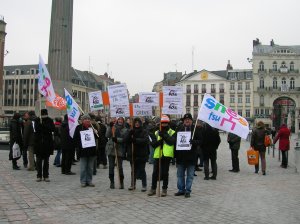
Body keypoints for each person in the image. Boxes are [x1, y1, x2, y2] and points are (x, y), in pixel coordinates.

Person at [148, 115, 176, 197]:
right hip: (158, 154)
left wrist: (164, 135)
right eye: (162, 123)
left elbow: (172, 141)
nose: (164, 125)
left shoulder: (172, 132)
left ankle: (164, 189)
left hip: (166, 155)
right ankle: (153, 189)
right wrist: (159, 142)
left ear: (168, 123)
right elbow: (152, 144)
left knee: (165, 173)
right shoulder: (156, 132)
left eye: (165, 123)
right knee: (155, 173)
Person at [174, 113, 201, 198]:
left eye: (188, 119)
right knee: (180, 175)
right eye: (185, 119)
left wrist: (194, 142)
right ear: (183, 121)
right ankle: (181, 190)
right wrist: (175, 155)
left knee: (190, 176)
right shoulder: (179, 129)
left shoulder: (195, 129)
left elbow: (201, 141)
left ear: (191, 120)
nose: (187, 120)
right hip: (181, 156)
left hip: (191, 156)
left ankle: (188, 191)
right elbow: (175, 141)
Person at [73, 114, 98, 187]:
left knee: (90, 167)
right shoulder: (78, 128)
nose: (87, 120)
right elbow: (75, 139)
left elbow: (97, 138)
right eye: (85, 119)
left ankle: (89, 181)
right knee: (83, 167)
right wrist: (81, 144)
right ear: (82, 120)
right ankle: (83, 181)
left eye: (88, 119)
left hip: (91, 150)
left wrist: (95, 133)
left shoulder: (92, 127)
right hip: (83, 150)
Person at [105, 117, 129, 189]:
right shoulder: (113, 127)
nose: (120, 121)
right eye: (119, 119)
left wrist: (117, 139)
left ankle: (121, 182)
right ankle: (112, 182)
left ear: (123, 121)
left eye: (121, 119)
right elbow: (107, 135)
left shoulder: (125, 129)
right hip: (111, 148)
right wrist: (110, 126)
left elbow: (124, 139)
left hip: (120, 149)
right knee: (111, 166)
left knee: (120, 167)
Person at [127, 117, 149, 192]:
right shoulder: (131, 131)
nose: (136, 123)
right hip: (133, 154)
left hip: (142, 154)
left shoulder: (144, 131)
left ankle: (144, 185)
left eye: (138, 122)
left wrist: (135, 140)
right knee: (133, 170)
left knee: (142, 170)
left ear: (140, 123)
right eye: (135, 122)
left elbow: (145, 140)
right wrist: (130, 134)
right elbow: (126, 140)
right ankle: (133, 184)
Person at [34, 109, 55, 182]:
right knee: (39, 161)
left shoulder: (50, 120)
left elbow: (52, 129)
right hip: (38, 144)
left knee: (46, 161)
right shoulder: (37, 120)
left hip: (47, 144)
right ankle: (39, 175)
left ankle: (46, 175)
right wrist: (40, 124)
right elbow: (36, 129)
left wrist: (44, 126)